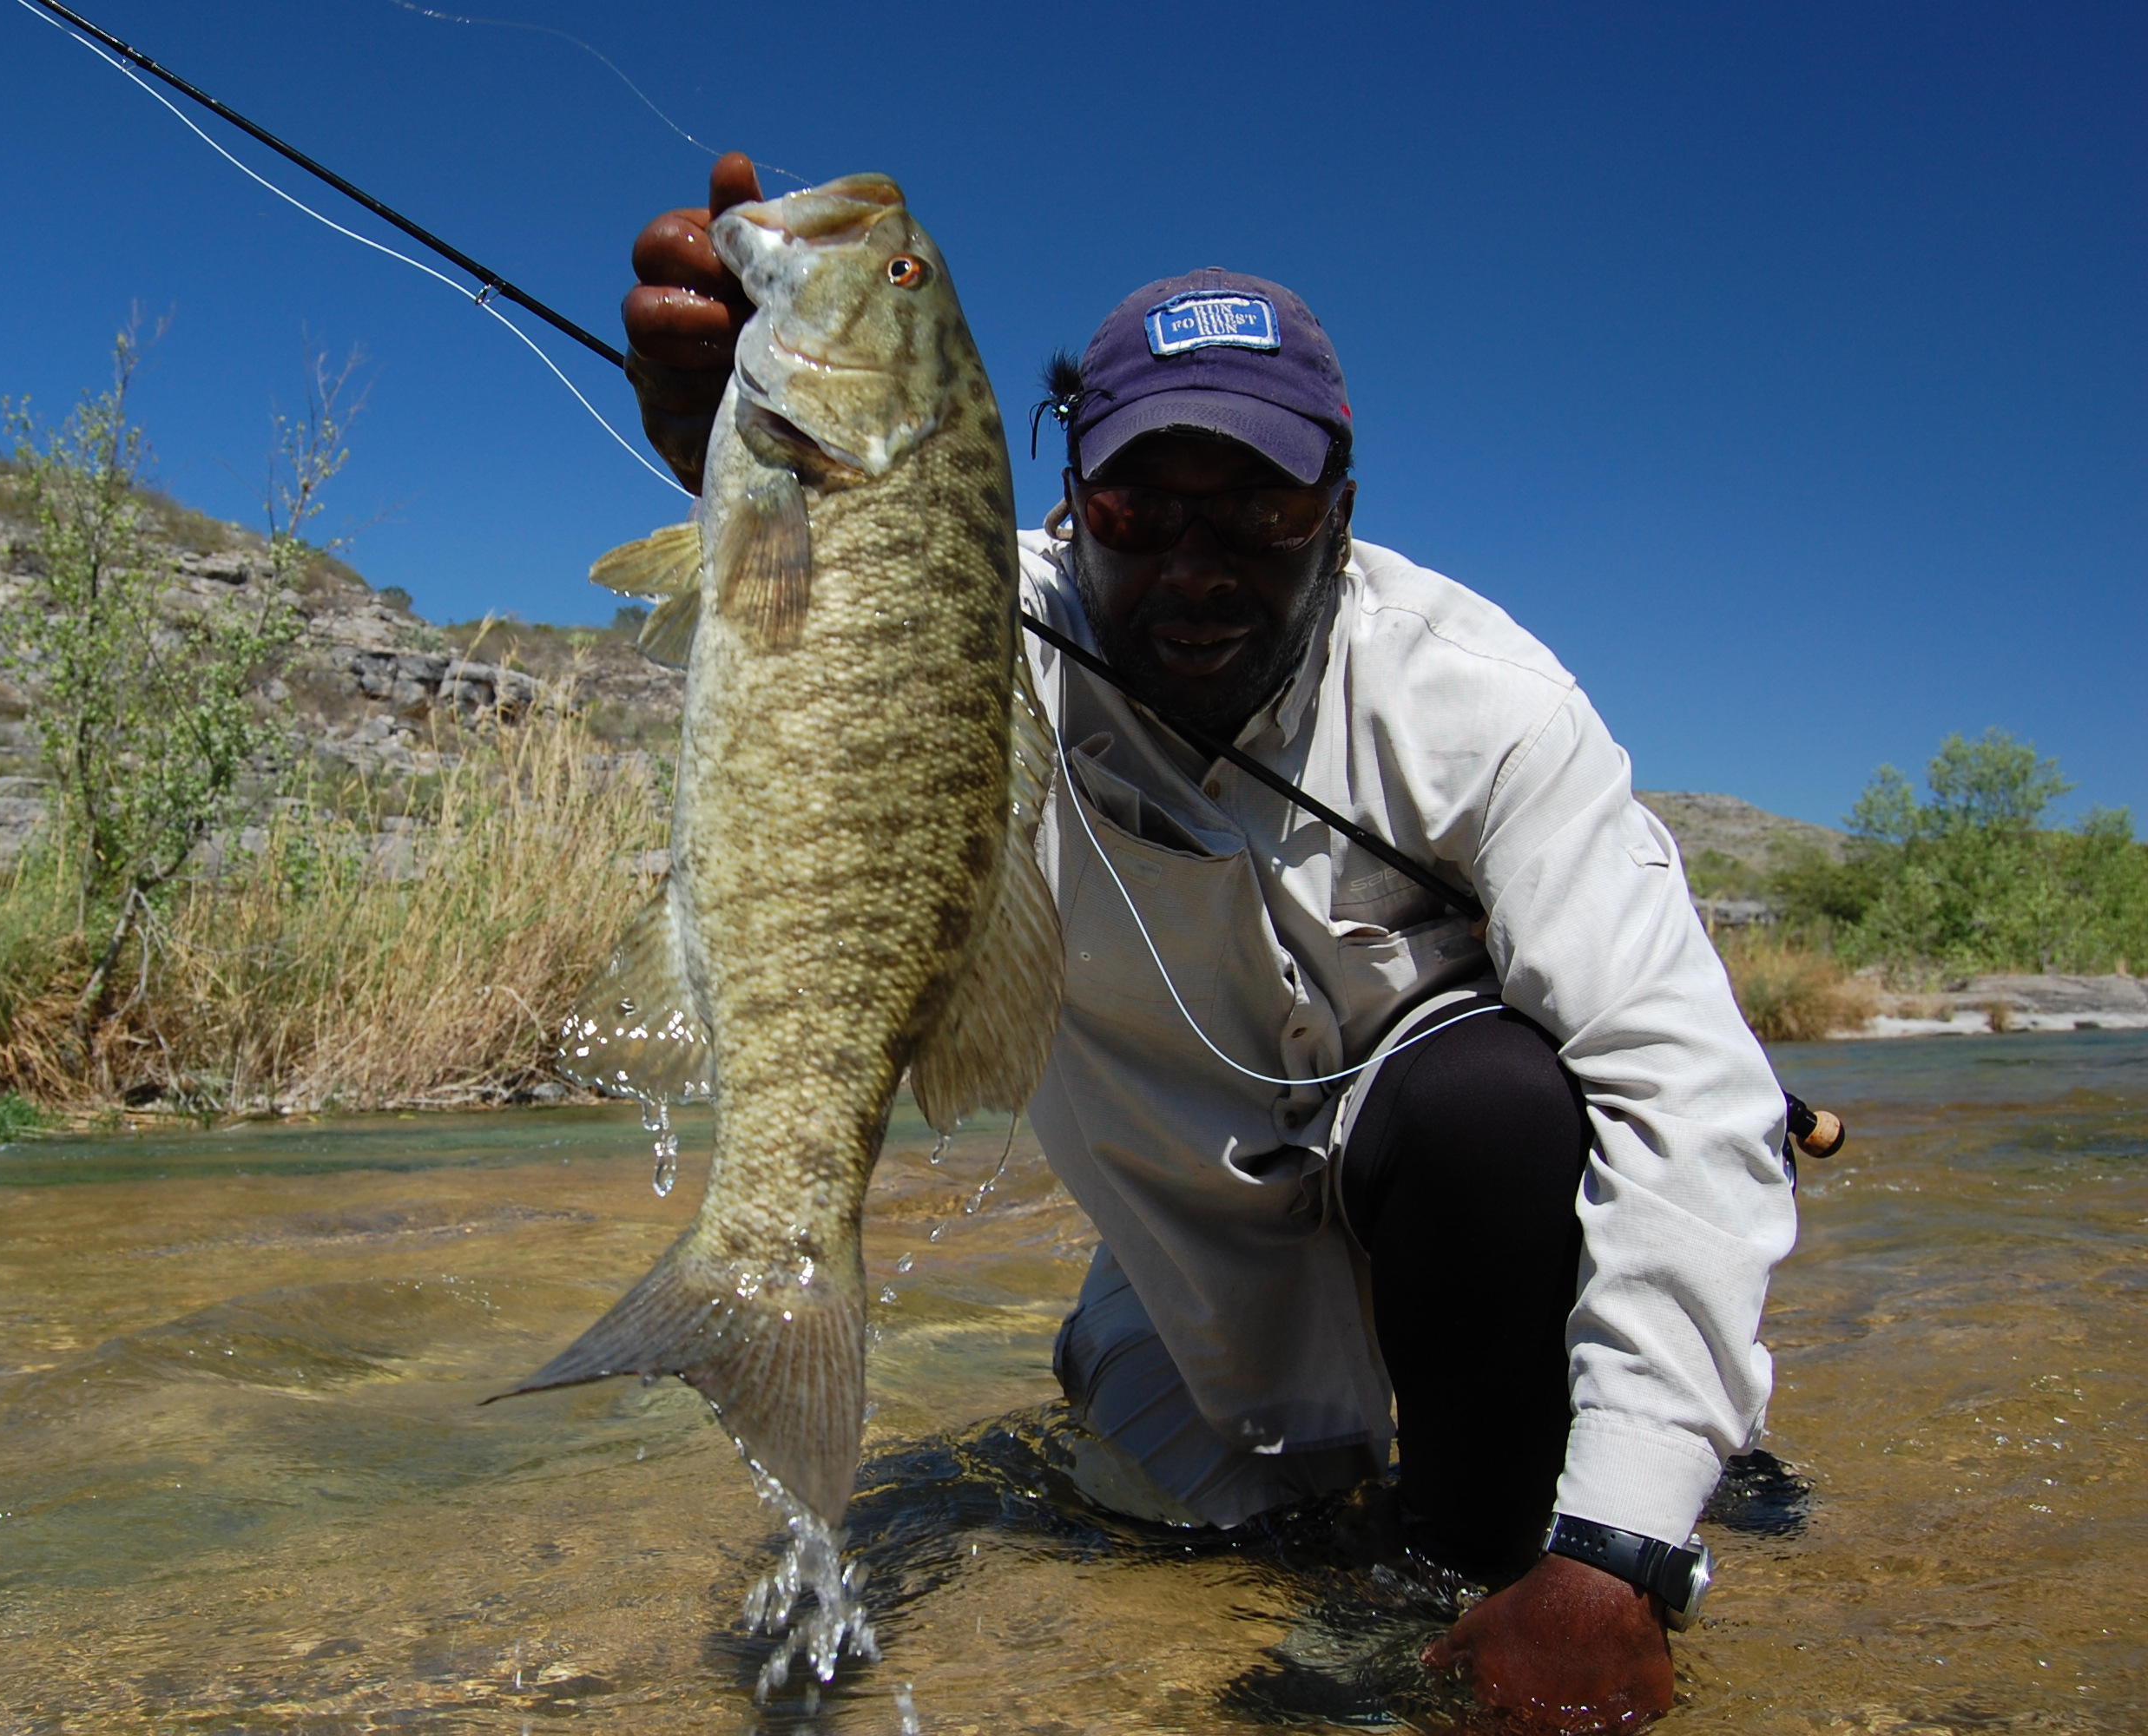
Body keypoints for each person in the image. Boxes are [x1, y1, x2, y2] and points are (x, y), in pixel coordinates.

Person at [623, 154, 1798, 1729]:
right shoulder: (964, 602)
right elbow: (819, 627)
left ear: (1342, 511)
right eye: (1137, 507)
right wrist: (724, 479)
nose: (1196, 563)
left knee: (1494, 1114)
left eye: (1261, 511)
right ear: (1063, 501)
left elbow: (1691, 1096)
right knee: (1192, 1549)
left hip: (1451, 1227)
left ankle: (1508, 1528)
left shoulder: (1492, 709)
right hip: (1184, 1282)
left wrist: (1619, 1549)